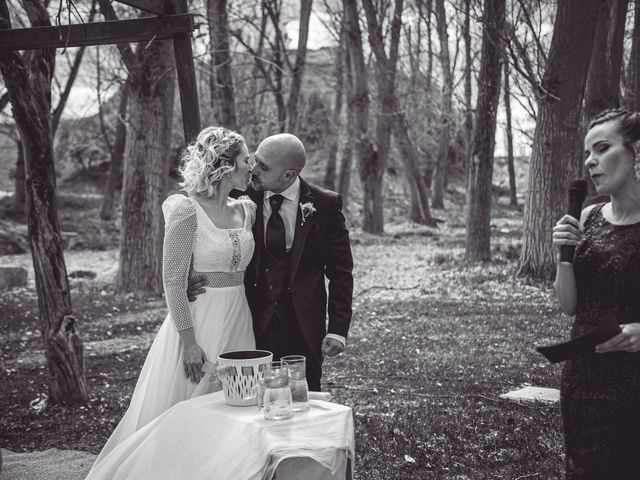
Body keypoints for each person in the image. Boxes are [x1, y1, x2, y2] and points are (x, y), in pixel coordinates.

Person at [91, 126, 257, 467]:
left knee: (233, 404)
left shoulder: (248, 209)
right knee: (185, 405)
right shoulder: (187, 210)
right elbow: (172, 279)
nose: (251, 165)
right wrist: (189, 342)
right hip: (198, 321)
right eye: (245, 159)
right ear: (224, 164)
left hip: (240, 317)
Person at [188, 133, 354, 391]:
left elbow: (340, 271)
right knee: (250, 398)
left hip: (303, 324)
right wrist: (192, 279)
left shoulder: (325, 204)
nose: (253, 170)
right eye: (254, 161)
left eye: (263, 167)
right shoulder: (241, 200)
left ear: (289, 175)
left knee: (302, 398)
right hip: (250, 322)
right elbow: (213, 242)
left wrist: (337, 329)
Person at [552, 108, 640, 479]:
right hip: (583, 378)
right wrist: (564, 257)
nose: (591, 162)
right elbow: (570, 306)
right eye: (588, 153)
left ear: (636, 150)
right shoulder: (587, 217)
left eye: (602, 149)